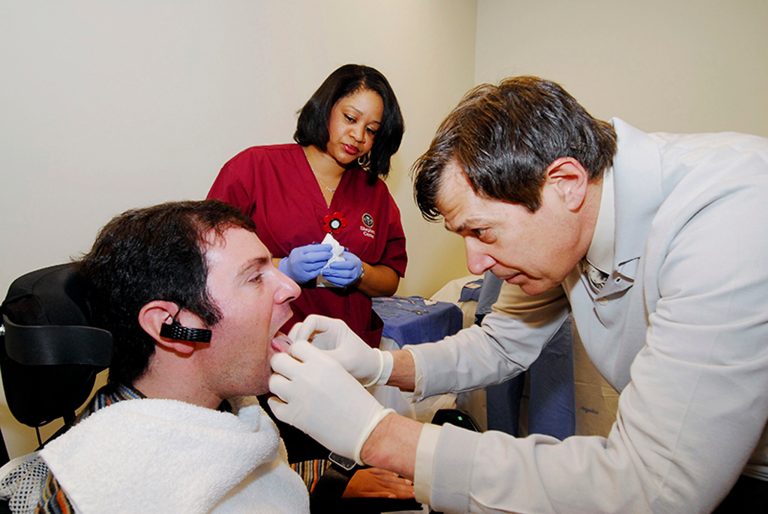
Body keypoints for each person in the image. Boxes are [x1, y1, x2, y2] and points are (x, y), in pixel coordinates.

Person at [268, 76, 768, 513]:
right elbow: (499, 343)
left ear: (565, 183)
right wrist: (379, 366)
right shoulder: (567, 232)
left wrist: (379, 435)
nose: (475, 265)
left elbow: (653, 491)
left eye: (482, 232)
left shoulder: (731, 218)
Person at [1, 200, 310, 513]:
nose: (291, 287)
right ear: (171, 326)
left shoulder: (228, 406)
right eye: (255, 277)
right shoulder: (98, 493)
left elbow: (240, 478)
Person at [207, 64, 413, 504]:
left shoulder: (374, 192)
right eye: (350, 118)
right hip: (269, 356)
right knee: (285, 479)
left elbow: (391, 278)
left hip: (345, 359)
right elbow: (209, 262)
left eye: (372, 129)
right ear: (326, 109)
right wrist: (280, 267)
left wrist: (360, 274)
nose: (358, 136)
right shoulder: (255, 167)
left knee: (350, 472)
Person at [477, 272, 575, 440]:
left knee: (549, 401)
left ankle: (546, 461)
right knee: (506, 402)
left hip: (530, 292)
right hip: (502, 295)